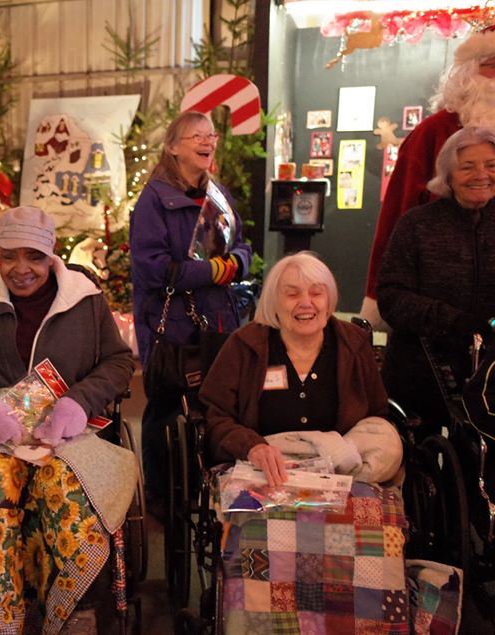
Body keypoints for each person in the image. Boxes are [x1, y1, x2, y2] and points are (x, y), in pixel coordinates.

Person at [0, 206, 136, 633]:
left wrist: (78, 403)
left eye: (33, 257)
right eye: (8, 256)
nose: (21, 269)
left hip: (66, 429)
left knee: (67, 487)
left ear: (52, 253)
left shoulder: (85, 298)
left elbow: (117, 362)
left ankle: (76, 611)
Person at [130, 111, 252, 506]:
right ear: (172, 147)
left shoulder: (217, 193)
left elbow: (242, 245)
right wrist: (210, 271)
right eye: (196, 135)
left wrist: (236, 264)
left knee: (219, 404)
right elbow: (152, 268)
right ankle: (162, 497)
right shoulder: (153, 200)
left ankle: (211, 488)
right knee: (166, 407)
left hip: (220, 318)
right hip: (171, 325)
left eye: (211, 135)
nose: (207, 141)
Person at [201, 252, 396, 487]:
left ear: (329, 300)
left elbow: (377, 414)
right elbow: (215, 415)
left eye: (316, 293)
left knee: (389, 440)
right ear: (274, 301)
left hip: (340, 469)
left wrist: (341, 453)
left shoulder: (353, 343)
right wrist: (252, 447)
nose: (306, 302)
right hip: (268, 471)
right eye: (292, 294)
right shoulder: (245, 345)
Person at [362, 24, 495, 330]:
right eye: (492, 66)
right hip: (433, 321)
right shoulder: (432, 133)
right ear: (468, 73)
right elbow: (399, 211)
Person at [377, 126, 495, 431]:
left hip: (490, 379)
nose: (481, 174)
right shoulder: (417, 225)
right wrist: (451, 320)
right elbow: (390, 296)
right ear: (448, 176)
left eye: (491, 165)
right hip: (422, 375)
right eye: (467, 166)